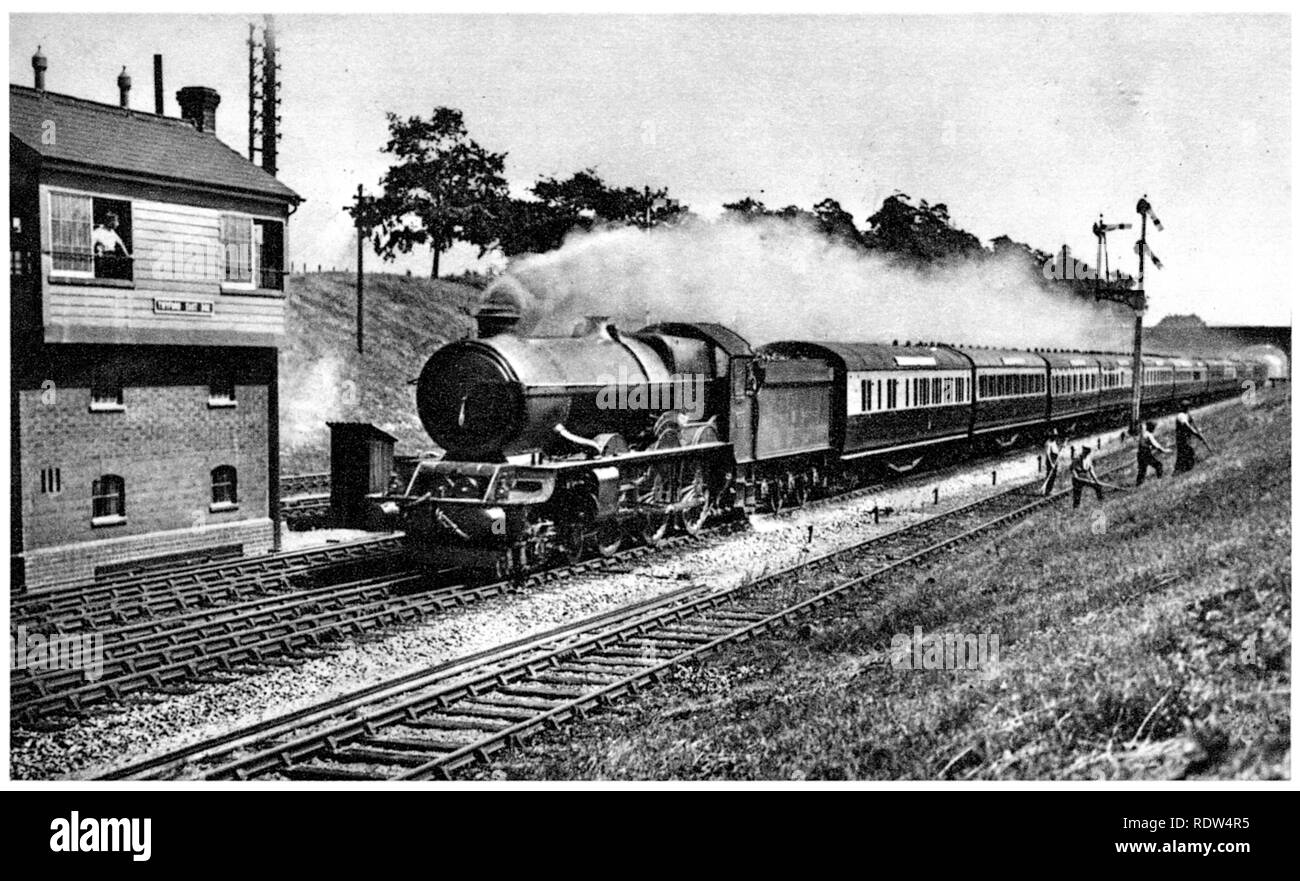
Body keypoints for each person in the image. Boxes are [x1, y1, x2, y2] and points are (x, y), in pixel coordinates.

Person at [1174, 400, 1211, 474]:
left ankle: (1182, 468)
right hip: (1182, 437)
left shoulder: (1187, 414)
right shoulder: (1181, 415)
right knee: (1187, 451)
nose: (1188, 409)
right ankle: (1185, 468)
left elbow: (1192, 423)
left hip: (1186, 437)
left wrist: (1197, 431)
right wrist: (1195, 433)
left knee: (1185, 452)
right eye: (1187, 407)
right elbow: (1186, 426)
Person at [1136, 420, 1170, 486]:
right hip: (1145, 454)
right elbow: (1156, 446)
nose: (1154, 429)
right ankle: (1159, 484)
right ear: (1152, 428)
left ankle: (1138, 485)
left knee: (1142, 471)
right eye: (1154, 427)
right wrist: (1165, 450)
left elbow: (1145, 444)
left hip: (1140, 454)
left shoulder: (1143, 434)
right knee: (1159, 466)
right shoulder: (1149, 435)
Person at [1041, 429, 1062, 496]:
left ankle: (1050, 489)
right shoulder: (1048, 443)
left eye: (1056, 436)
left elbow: (1056, 451)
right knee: (1050, 476)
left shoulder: (1054, 442)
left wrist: (1061, 447)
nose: (1055, 437)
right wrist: (1051, 463)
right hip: (1051, 461)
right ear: (1051, 436)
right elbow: (1048, 454)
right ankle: (1047, 491)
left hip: (1055, 460)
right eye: (1054, 436)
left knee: (1054, 476)